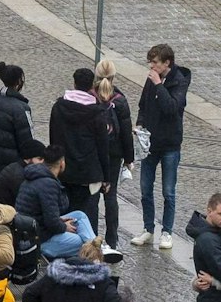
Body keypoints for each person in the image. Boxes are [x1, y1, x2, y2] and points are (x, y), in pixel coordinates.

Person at [132, 43, 190, 251]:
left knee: (168, 191)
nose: (151, 66)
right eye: (150, 62)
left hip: (170, 145)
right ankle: (148, 228)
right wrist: (140, 124)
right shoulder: (152, 79)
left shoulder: (179, 81)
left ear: (167, 63)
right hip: (150, 144)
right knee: (145, 189)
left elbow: (171, 108)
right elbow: (143, 105)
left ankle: (167, 231)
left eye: (155, 62)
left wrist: (159, 85)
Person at [48, 67, 108, 230]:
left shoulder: (58, 107)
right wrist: (106, 176)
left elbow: (53, 137)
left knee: (65, 215)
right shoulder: (97, 113)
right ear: (91, 86)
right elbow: (103, 146)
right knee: (88, 218)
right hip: (89, 173)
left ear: (74, 83)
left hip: (64, 170)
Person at [16, 144, 97, 260]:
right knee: (82, 243)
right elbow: (52, 222)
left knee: (79, 215)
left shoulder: (35, 176)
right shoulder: (48, 184)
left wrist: (60, 222)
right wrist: (63, 226)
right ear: (62, 163)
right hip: (39, 239)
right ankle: (97, 250)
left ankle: (96, 247)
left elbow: (43, 214)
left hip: (35, 229)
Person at [91, 65, 134, 249]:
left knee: (92, 196)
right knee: (111, 196)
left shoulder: (91, 98)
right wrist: (129, 158)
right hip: (113, 155)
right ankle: (112, 239)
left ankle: (91, 237)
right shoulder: (120, 101)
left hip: (93, 153)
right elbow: (126, 133)